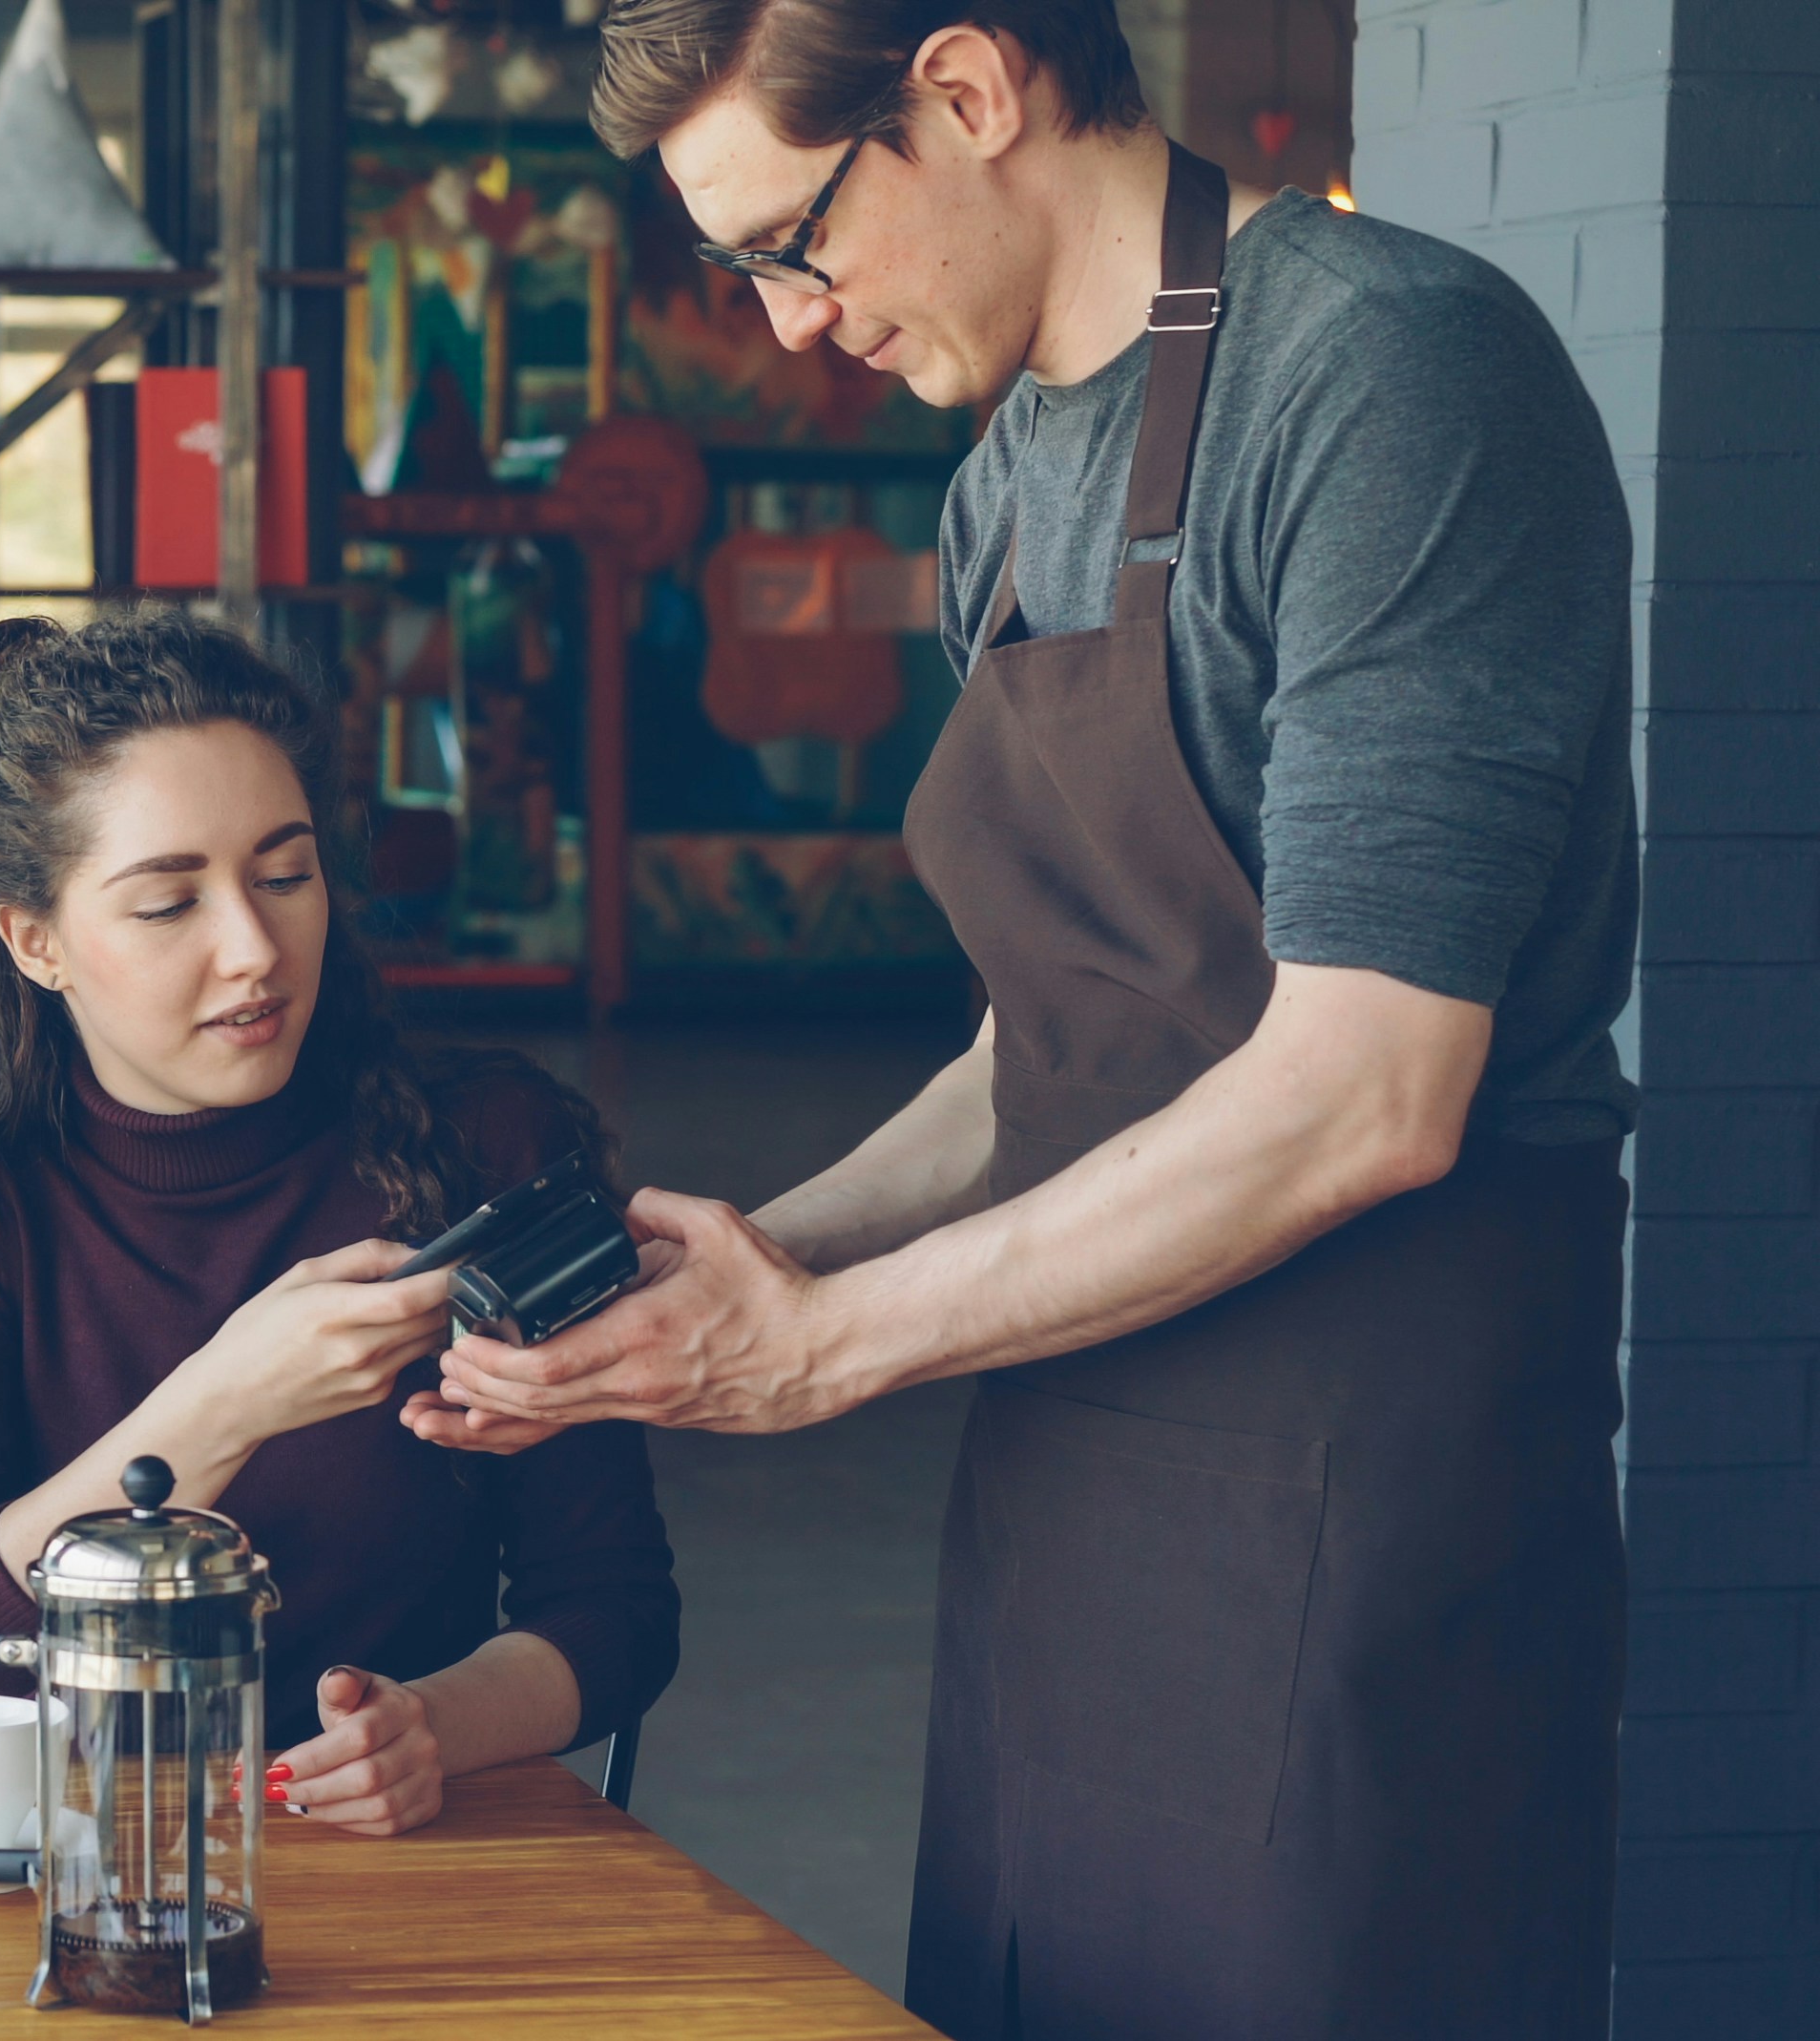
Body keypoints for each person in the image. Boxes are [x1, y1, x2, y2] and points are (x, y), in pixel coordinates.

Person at [411, 6, 1640, 2034]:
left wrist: (820, 1354)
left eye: (793, 246)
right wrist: (749, 1258)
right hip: (1075, 1480)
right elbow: (1040, 1048)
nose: (792, 327)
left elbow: (1371, 1086)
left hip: (1367, 1485)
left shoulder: (1388, 376)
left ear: (964, 94)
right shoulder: (1004, 480)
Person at [0, 614, 679, 1837]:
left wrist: (434, 1726)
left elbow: (610, 1604)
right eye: (167, 903)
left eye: (284, 875)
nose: (253, 947)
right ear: (34, 941)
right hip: (74, 1875)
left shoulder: (481, 1149)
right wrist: (223, 1403)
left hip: (418, 1881)